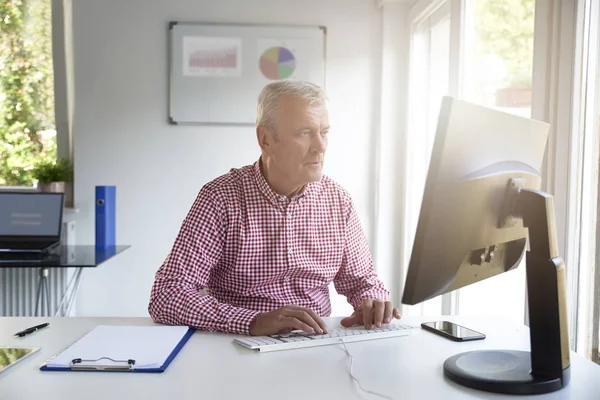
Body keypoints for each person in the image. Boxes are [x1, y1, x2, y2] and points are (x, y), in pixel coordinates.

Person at [148, 80, 401, 336]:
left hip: (316, 343)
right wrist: (252, 321)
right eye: (304, 132)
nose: (321, 146)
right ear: (265, 138)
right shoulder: (221, 198)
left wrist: (373, 300)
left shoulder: (338, 200)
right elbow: (166, 295)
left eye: (324, 132)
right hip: (236, 344)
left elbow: (362, 282)